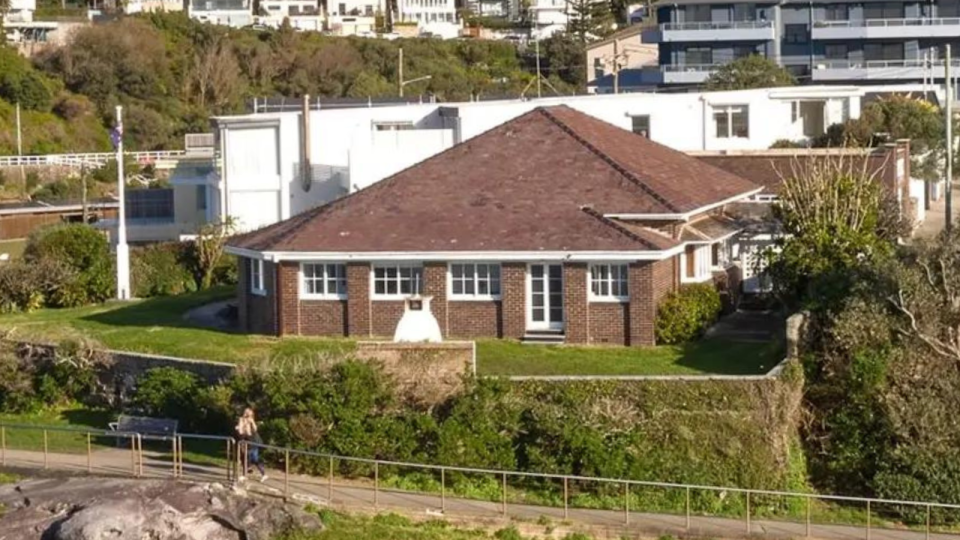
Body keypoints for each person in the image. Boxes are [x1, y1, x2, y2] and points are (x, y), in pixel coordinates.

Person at [235, 407, 268, 482]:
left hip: (253, 441)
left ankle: (260, 473)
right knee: (247, 458)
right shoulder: (241, 419)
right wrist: (242, 426)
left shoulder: (251, 420)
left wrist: (251, 422)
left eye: (249, 412)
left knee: (252, 458)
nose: (247, 414)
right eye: (246, 412)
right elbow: (240, 432)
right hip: (246, 440)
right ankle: (248, 472)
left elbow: (254, 430)